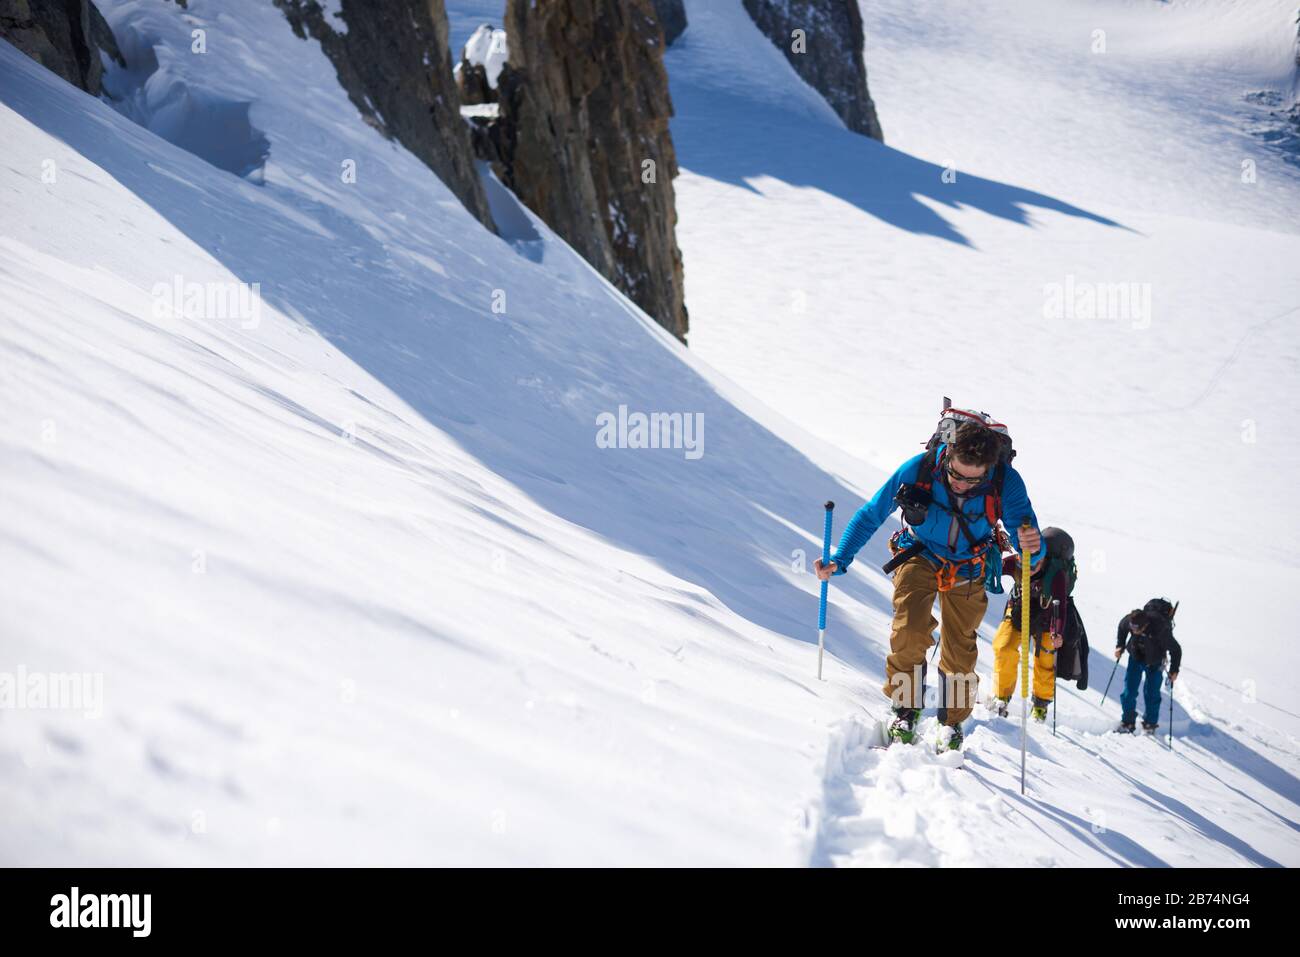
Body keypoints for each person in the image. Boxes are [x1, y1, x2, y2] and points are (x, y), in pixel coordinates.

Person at [814, 419, 1042, 750]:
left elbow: (1031, 544)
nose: (963, 484)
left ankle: (952, 723)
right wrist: (841, 559)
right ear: (947, 453)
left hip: (970, 564)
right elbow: (872, 513)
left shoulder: (1006, 482)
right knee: (909, 630)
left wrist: (1033, 552)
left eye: (973, 479)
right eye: (956, 475)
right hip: (918, 552)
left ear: (989, 468)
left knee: (960, 649)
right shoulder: (920, 468)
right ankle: (905, 709)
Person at [988, 527, 1089, 721]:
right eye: (1028, 562)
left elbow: (1061, 605)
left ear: (1045, 558)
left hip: (1048, 616)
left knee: (1045, 659)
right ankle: (1001, 697)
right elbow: (994, 568)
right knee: (1004, 647)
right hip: (1019, 609)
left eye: (1036, 563)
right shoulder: (1018, 562)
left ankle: (1041, 704)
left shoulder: (1057, 576)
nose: (1031, 566)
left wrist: (1057, 632)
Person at [1114, 600, 1181, 734]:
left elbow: (1176, 650)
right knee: (1129, 692)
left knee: (1151, 693)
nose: (1133, 631)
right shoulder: (1131, 620)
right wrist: (1120, 645)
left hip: (1155, 662)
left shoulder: (1161, 629)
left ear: (1145, 626)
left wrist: (1174, 670)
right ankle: (1128, 722)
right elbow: (1122, 627)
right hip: (1135, 657)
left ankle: (1150, 724)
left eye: (1136, 629)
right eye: (1132, 628)